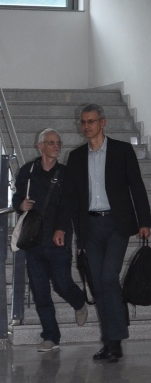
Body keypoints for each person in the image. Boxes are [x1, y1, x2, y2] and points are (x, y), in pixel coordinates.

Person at [62, 103, 151, 363]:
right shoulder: (76, 156)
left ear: (103, 123)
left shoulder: (122, 151)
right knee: (99, 283)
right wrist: (63, 227)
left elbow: (137, 187)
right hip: (90, 227)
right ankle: (109, 341)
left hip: (116, 224)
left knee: (108, 277)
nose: (86, 126)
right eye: (83, 122)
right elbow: (70, 197)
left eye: (90, 121)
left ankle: (116, 340)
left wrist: (144, 222)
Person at [12, 129, 89, 352]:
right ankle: (51, 336)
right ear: (40, 146)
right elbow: (17, 196)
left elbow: (69, 205)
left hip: (58, 239)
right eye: (51, 142)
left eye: (58, 142)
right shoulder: (28, 171)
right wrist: (20, 205)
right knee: (40, 291)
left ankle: (79, 302)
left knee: (62, 284)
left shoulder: (66, 173)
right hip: (33, 239)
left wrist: (61, 229)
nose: (56, 146)